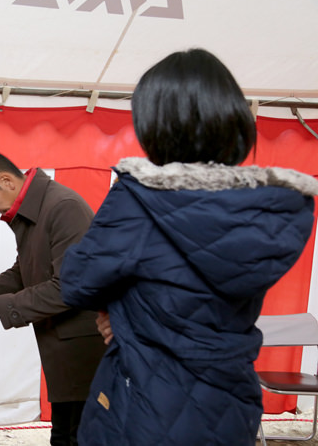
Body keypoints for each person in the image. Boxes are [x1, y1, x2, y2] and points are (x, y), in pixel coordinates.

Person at [60, 48, 318, 446]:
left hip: (146, 400)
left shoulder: (140, 197)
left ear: (155, 124)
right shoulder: (270, 207)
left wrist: (120, 315)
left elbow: (77, 281)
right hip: (230, 401)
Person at [0, 149, 106, 446]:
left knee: (77, 436)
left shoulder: (62, 207)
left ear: (6, 180)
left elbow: (68, 287)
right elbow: (24, 273)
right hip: (62, 349)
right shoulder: (35, 210)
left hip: (83, 351)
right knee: (63, 434)